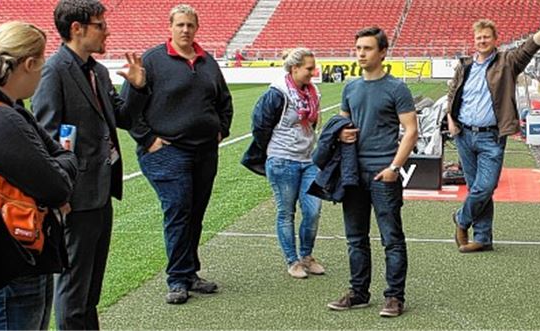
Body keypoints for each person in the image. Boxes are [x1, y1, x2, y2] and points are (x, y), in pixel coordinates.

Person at [31, 1, 147, 328]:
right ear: (77, 29)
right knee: (72, 289)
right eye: (100, 25)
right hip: (74, 199)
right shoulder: (53, 71)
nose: (106, 31)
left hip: (100, 192)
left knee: (90, 290)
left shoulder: (97, 71)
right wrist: (60, 193)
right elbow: (47, 136)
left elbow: (122, 117)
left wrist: (137, 88)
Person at [0, 21, 78, 330]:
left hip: (0, 253)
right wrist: (62, 170)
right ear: (29, 63)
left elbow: (59, 160)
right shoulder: (0, 117)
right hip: (12, 259)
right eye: (42, 62)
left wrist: (61, 165)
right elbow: (56, 186)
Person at [122, 4, 233, 305]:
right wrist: (147, 139)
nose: (185, 30)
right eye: (180, 25)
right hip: (168, 151)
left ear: (197, 28)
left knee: (195, 212)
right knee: (179, 209)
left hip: (205, 151)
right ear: (170, 27)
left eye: (190, 25)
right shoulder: (152, 61)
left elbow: (224, 99)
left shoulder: (207, 61)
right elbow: (128, 109)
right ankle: (177, 278)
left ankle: (190, 272)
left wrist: (222, 128)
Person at [325, 26, 418, 318]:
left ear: (382, 52)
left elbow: (411, 131)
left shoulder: (396, 88)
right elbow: (342, 126)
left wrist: (394, 168)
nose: (361, 54)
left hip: (383, 174)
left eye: (367, 48)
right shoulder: (350, 88)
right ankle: (358, 292)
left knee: (391, 237)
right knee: (355, 238)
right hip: (353, 173)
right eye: (358, 48)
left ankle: (394, 297)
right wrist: (340, 136)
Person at [445, 17, 540, 253]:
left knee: (485, 187)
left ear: (496, 40)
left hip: (491, 136)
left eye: (487, 37)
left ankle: (461, 219)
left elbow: (528, 48)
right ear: (474, 41)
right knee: (475, 186)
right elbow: (452, 93)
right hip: (464, 134)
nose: (482, 41)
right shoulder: (464, 65)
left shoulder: (506, 62)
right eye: (479, 37)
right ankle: (483, 238)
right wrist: (450, 119)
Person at [242, 48, 325, 279]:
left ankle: (307, 256)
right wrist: (274, 152)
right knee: (286, 212)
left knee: (313, 210)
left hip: (308, 161)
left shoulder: (313, 91)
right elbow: (260, 126)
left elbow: (314, 124)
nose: (313, 72)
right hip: (282, 162)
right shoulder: (276, 94)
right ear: (295, 68)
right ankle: (293, 260)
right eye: (309, 68)